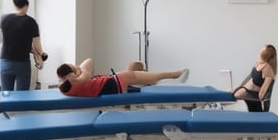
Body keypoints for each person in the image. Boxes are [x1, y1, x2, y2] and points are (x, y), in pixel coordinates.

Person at [56, 58, 188, 97]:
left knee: (147, 79)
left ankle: (174, 78)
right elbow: (89, 61)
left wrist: (75, 72)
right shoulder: (82, 78)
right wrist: (79, 71)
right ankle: (175, 75)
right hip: (116, 81)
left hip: (112, 84)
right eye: (73, 66)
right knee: (153, 77)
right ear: (71, 73)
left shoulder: (65, 89)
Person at [0, 0, 46, 91]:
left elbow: (0, 40)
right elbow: (37, 46)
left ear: (15, 5)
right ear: (26, 5)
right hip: (22, 63)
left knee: (6, 94)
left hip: (5, 62)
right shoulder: (31, 22)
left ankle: (6, 107)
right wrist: (41, 58)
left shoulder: (4, 19)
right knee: (22, 95)